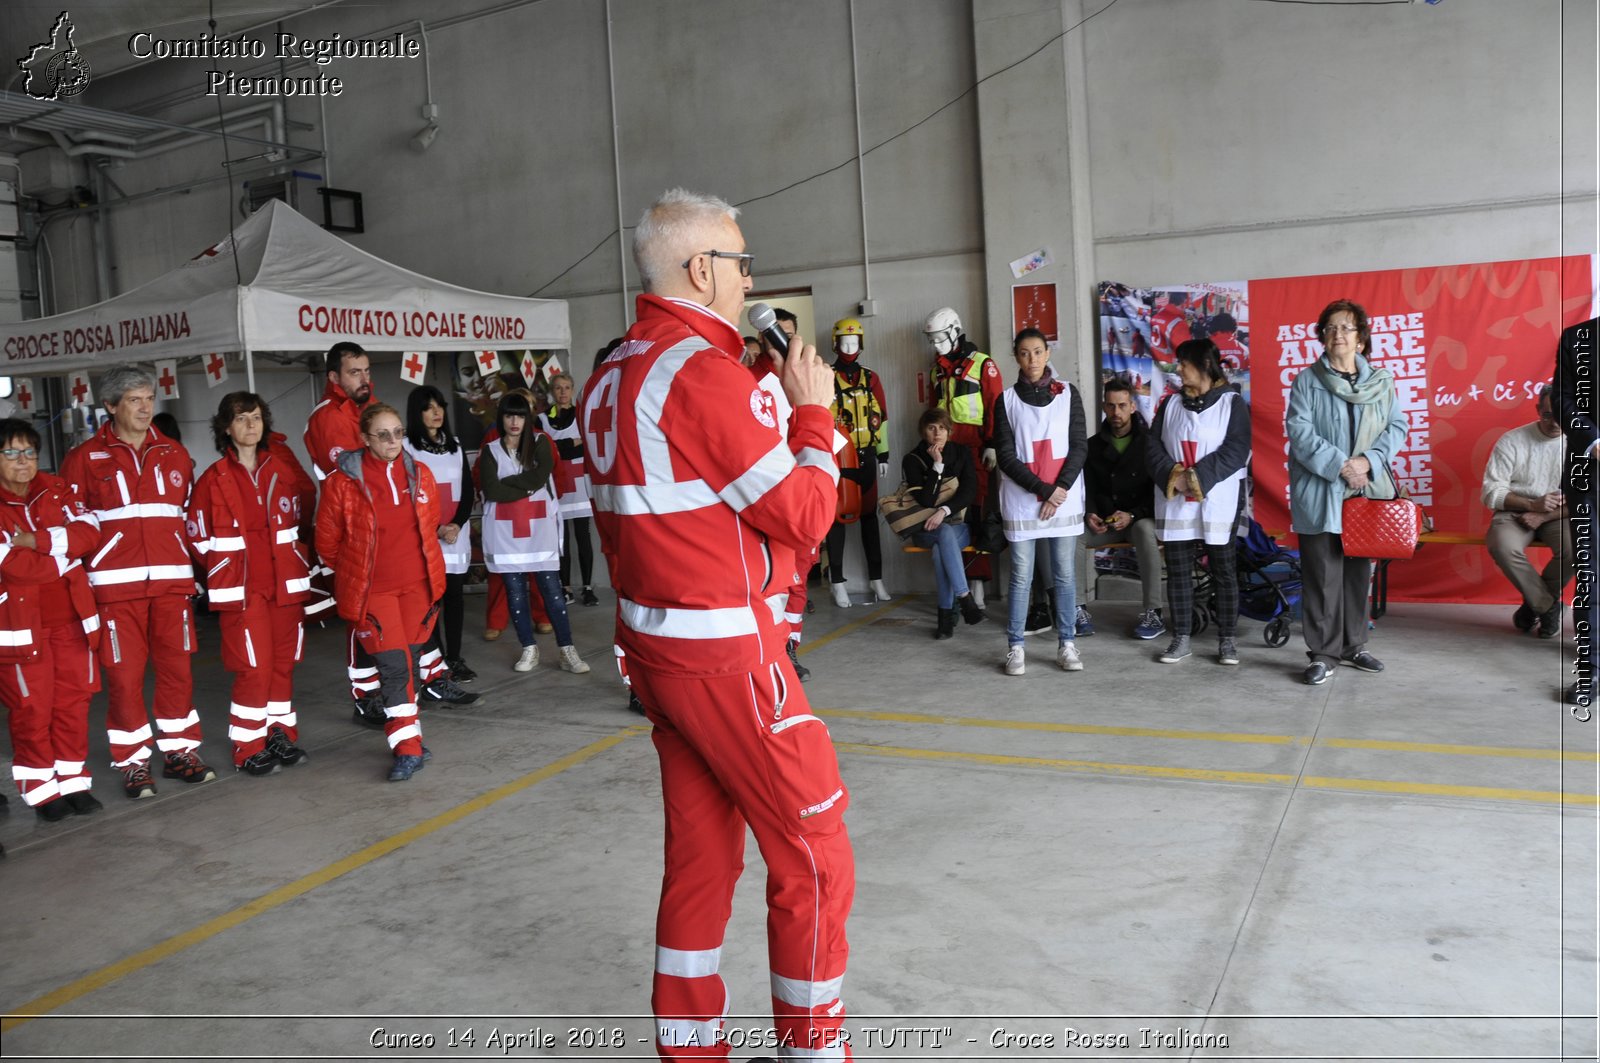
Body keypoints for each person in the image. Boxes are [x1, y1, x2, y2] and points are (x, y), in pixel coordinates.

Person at [578, 188, 853, 1058]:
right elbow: (805, 515)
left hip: (658, 658)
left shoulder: (611, 376)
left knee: (701, 859)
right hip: (730, 658)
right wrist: (813, 413)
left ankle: (690, 1046)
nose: (748, 279)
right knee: (814, 853)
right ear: (702, 270)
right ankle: (814, 1049)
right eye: (740, 263)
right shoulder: (700, 374)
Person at [61, 365, 214, 798]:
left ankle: (181, 752)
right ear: (110, 406)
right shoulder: (83, 459)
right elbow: (74, 528)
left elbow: (187, 521)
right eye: (134, 399)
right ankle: (132, 763)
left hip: (171, 587)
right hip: (114, 591)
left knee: (177, 674)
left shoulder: (175, 454)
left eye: (149, 398)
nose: (145, 407)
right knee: (125, 682)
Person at [315, 403, 446, 782]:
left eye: (399, 433)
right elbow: (327, 543)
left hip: (419, 589)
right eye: (383, 434)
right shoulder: (341, 484)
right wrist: (360, 575)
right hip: (376, 594)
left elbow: (430, 526)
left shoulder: (421, 475)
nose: (393, 441)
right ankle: (406, 749)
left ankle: (411, 739)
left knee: (410, 665)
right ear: (364, 438)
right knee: (393, 666)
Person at [186, 392, 315, 775]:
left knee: (282, 665)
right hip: (241, 591)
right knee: (252, 669)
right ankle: (248, 746)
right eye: (241, 419)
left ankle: (279, 734)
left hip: (284, 586)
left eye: (256, 417)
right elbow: (196, 537)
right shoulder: (213, 479)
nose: (250, 425)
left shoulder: (281, 470)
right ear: (226, 427)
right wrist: (224, 567)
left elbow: (299, 520)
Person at [1286, 299, 1409, 686]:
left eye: (1346, 328)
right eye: (1330, 328)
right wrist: (1343, 464)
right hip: (1322, 489)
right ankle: (1323, 653)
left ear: (1361, 339)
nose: (1338, 334)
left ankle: (1354, 645)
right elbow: (1301, 433)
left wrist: (1368, 461)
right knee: (1322, 575)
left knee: (1358, 573)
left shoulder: (1382, 381)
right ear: (1322, 337)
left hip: (1366, 489)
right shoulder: (1307, 381)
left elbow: (1397, 426)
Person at [0, 418, 104, 819]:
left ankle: (73, 782)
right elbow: (13, 567)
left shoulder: (56, 489)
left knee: (72, 705)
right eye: (11, 452)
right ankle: (43, 792)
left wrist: (38, 541)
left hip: (72, 622)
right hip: (19, 630)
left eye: (28, 452)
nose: (22, 461)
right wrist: (63, 555)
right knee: (31, 709)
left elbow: (89, 532)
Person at [305, 341, 394, 726]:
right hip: (351, 531)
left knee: (387, 612)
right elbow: (355, 474)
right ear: (334, 377)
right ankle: (365, 697)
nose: (364, 378)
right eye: (354, 372)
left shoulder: (373, 411)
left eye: (367, 370)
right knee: (361, 615)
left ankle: (395, 687)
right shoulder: (327, 417)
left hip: (384, 527)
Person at [1147, 339, 1251, 666]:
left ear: (1204, 365)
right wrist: (1173, 476)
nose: (1178, 369)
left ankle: (1227, 640)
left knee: (1223, 570)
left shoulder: (1232, 403)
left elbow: (1236, 450)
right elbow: (1151, 447)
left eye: (1184, 363)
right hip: (1175, 501)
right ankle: (1180, 637)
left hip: (1217, 501)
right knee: (1177, 571)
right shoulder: (1170, 405)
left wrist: (1196, 479)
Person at [994, 327, 1087, 675]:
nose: (1031, 359)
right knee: (1020, 576)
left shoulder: (1068, 395)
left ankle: (1067, 643)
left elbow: (1079, 445)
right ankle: (1015, 646)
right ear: (1016, 357)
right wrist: (1043, 490)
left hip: (1063, 498)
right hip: (1024, 500)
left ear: (1048, 354)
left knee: (1064, 574)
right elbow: (1005, 454)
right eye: (1024, 353)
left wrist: (1059, 488)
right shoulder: (1004, 400)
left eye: (1037, 352)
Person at [479, 391, 591, 675]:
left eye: (519, 415)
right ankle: (528, 647)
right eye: (508, 415)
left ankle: (567, 649)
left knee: (552, 591)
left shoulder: (542, 442)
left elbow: (541, 476)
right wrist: (527, 487)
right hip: (506, 532)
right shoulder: (491, 450)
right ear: (501, 418)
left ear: (528, 418)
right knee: (515, 593)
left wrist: (514, 485)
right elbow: (491, 489)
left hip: (540, 530)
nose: (514, 421)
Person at [748, 307, 824, 678]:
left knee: (799, 578)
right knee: (774, 580)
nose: (786, 341)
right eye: (777, 334)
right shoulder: (748, 381)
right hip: (769, 495)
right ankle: (773, 653)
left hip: (805, 487)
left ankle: (790, 649)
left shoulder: (807, 377)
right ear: (764, 339)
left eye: (791, 334)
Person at [403, 385, 481, 703]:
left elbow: (467, 489)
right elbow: (409, 495)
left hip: (455, 534)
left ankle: (455, 659)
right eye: (429, 407)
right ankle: (433, 663)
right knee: (430, 601)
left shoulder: (455, 445)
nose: (437, 412)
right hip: (427, 537)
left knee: (455, 598)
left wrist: (457, 525)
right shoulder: (407, 447)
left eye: (440, 406)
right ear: (417, 413)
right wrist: (435, 528)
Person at [927, 305, 1004, 608]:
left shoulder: (983, 365)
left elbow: (995, 405)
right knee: (950, 514)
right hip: (946, 454)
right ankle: (957, 583)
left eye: (939, 338)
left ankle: (978, 583)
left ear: (954, 332)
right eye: (931, 340)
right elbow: (934, 414)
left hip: (976, 452)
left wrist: (993, 443)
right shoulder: (937, 370)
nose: (934, 345)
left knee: (977, 514)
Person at [1482, 386, 1572, 639]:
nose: (1554, 422)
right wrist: (1531, 505)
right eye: (1547, 415)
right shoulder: (1512, 440)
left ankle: (1534, 604)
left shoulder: (1582, 444)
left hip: (1560, 514)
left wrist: (1543, 515)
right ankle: (1547, 606)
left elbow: (1588, 498)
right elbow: (1491, 492)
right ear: (1537, 411)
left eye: (1561, 415)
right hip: (1514, 510)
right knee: (1501, 545)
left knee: (1577, 548)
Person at [1080, 375, 1165, 640]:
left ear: (1133, 407)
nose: (1116, 412)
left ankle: (1153, 613)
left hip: (1139, 518)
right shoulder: (1092, 446)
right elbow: (1087, 489)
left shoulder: (1151, 443)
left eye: (1122, 405)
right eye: (1111, 406)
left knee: (1144, 531)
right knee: (1072, 535)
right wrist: (1090, 513)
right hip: (1106, 521)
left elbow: (1158, 491)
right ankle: (1076, 608)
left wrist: (1132, 515)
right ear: (1104, 407)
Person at [825, 317, 891, 605]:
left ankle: (876, 578)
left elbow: (882, 418)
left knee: (868, 518)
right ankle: (837, 581)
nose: (849, 347)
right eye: (844, 342)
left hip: (868, 457)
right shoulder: (826, 376)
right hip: (839, 460)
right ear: (835, 344)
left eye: (854, 342)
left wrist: (884, 453)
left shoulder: (871, 378)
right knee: (836, 520)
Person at [903, 406, 984, 638]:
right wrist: (937, 465)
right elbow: (926, 499)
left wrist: (944, 510)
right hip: (924, 529)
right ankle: (964, 599)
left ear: (950, 430)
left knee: (943, 542)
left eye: (942, 427)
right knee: (942, 536)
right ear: (923, 432)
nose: (937, 433)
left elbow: (969, 491)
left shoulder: (961, 453)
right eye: (931, 428)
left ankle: (946, 618)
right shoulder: (913, 459)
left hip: (958, 526)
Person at [1554, 316, 1598, 707]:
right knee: (1591, 572)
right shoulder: (1578, 337)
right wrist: (1593, 440)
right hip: (1591, 476)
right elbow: (1562, 401)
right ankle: (1591, 668)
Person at [540, 372, 599, 607]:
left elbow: (587, 444)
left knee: (583, 537)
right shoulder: (542, 419)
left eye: (566, 387)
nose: (563, 392)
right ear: (551, 392)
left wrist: (561, 447)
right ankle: (565, 587)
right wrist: (572, 444)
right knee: (561, 540)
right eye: (557, 388)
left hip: (581, 485)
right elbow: (547, 450)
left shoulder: (582, 415)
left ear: (572, 390)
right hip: (558, 485)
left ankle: (587, 586)